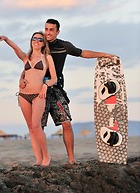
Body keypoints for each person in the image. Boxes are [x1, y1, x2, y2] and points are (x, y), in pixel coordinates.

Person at [20, 19, 115, 165]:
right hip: (38, 91)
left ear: (57, 32)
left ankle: (71, 159)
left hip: (55, 89)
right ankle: (41, 159)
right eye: (46, 29)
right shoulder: (38, 43)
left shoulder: (64, 46)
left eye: (52, 30)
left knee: (66, 123)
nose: (48, 32)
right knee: (38, 126)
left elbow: (83, 53)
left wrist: (104, 55)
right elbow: (27, 64)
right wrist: (22, 79)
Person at [0, 31, 57, 166]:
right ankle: (38, 159)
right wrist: (6, 39)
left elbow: (54, 78)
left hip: (38, 95)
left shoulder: (47, 58)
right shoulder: (26, 57)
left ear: (43, 43)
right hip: (23, 95)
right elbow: (16, 48)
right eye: (34, 39)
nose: (36, 41)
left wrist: (45, 86)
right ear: (31, 41)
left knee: (36, 125)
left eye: (40, 40)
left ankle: (46, 156)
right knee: (30, 128)